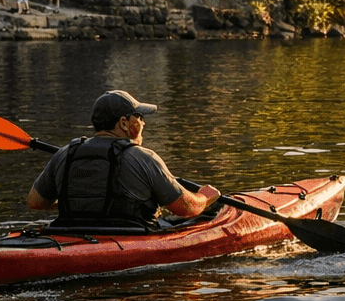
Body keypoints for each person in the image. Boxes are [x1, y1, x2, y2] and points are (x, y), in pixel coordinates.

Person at [27, 90, 220, 227]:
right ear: (124, 123)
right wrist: (205, 197)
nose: (143, 122)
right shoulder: (144, 158)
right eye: (139, 116)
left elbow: (36, 202)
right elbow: (186, 208)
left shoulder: (65, 152)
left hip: (71, 234)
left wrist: (83, 200)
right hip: (128, 235)